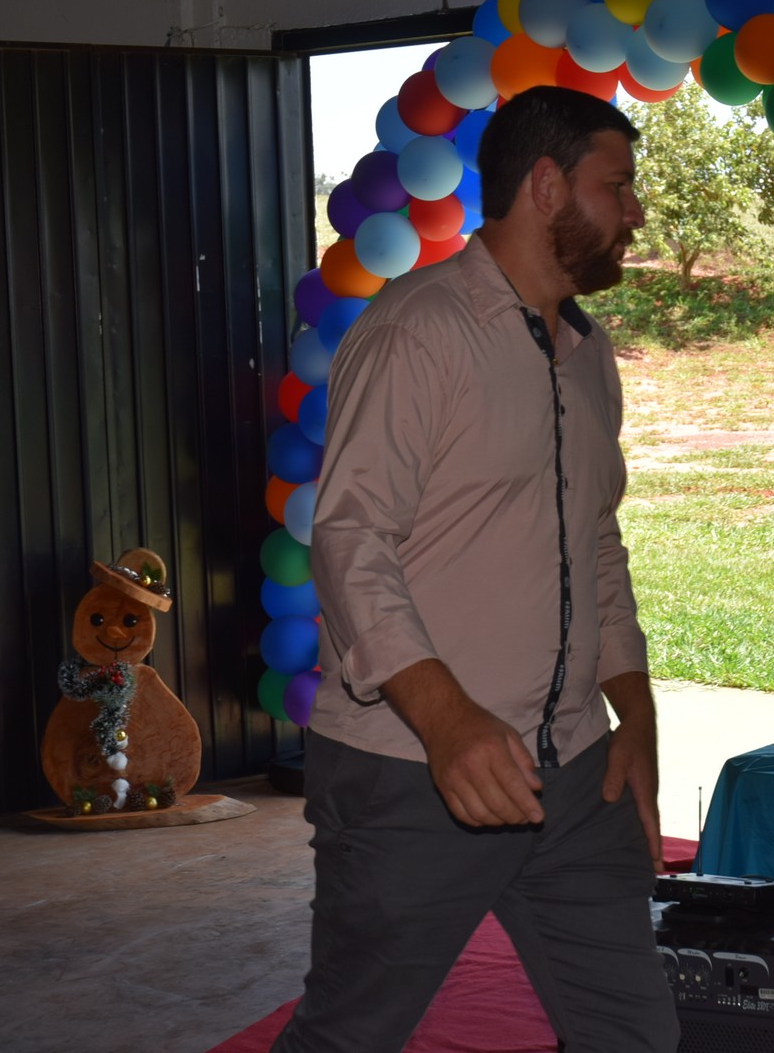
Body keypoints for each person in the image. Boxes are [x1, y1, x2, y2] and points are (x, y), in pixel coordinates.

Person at [272, 87, 676, 1053]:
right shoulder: (420, 331)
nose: (634, 213)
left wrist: (638, 714)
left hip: (574, 775)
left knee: (636, 1033)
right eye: (615, 188)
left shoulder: (588, 352)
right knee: (349, 1036)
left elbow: (597, 542)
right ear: (545, 187)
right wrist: (448, 719)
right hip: (413, 771)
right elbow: (349, 538)